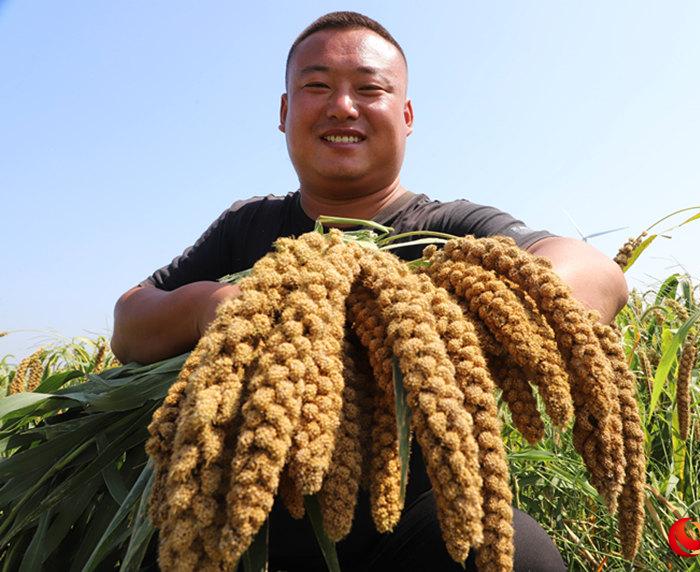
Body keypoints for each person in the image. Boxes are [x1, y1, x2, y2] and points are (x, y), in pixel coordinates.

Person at [111, 11, 628, 571]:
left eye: (369, 88)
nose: (342, 106)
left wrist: (432, 317)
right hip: (246, 512)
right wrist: (207, 308)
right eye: (316, 86)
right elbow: (129, 324)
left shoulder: (447, 228)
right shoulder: (248, 227)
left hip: (411, 522)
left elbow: (596, 275)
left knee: (518, 558)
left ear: (405, 117)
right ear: (285, 114)